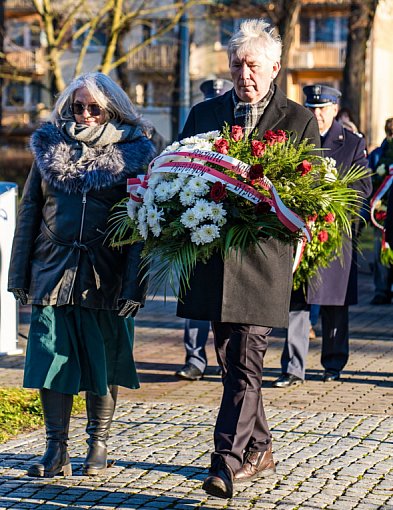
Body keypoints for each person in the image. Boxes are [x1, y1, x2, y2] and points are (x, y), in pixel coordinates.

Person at [177, 19, 320, 499]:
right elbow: (179, 172)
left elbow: (309, 193)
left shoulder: (297, 120)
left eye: (253, 65)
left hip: (263, 261)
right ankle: (261, 445)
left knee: (245, 357)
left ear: (275, 67)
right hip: (214, 260)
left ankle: (225, 462)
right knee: (230, 358)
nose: (244, 75)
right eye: (237, 65)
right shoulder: (204, 114)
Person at [7, 72, 156, 478]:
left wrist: (135, 285)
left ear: (112, 110)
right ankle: (55, 450)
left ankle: (99, 445)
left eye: (95, 108)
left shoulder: (138, 154)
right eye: (78, 107)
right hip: (50, 271)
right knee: (50, 359)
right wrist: (18, 273)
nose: (85, 114)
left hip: (104, 278)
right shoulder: (48, 147)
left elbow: (143, 226)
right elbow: (29, 212)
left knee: (102, 362)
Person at [273, 84, 372, 389]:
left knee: (334, 305)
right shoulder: (295, 136)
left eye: (322, 108)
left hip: (334, 236)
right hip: (300, 233)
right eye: (312, 108)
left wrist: (334, 207)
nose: (317, 114)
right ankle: (293, 368)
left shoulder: (352, 142)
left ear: (334, 109)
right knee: (296, 304)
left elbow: (362, 189)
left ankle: (333, 362)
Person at [175, 77, 231, 382]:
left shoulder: (236, 129)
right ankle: (195, 357)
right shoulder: (199, 118)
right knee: (196, 295)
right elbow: (181, 159)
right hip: (197, 218)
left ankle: (224, 361)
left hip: (226, 219)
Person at [367, 118, 393, 304]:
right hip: (381, 212)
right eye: (390, 133)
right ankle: (381, 290)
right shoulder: (378, 155)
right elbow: (370, 180)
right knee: (379, 251)